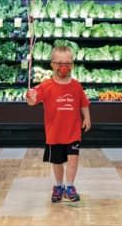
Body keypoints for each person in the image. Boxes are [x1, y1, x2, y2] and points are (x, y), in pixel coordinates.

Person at [26, 45, 91, 203]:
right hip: (54, 133)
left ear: (73, 65)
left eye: (68, 63)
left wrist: (87, 118)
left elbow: (84, 103)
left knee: (73, 160)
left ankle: (70, 186)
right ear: (52, 65)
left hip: (73, 131)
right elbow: (33, 101)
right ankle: (59, 186)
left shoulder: (76, 85)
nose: (64, 66)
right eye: (60, 62)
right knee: (57, 162)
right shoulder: (46, 86)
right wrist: (31, 97)